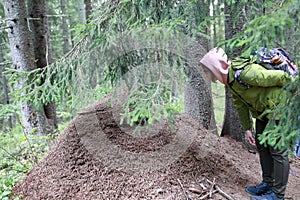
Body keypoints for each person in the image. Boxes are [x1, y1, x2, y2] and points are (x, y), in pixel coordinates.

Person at [200, 47, 295, 200]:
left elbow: (280, 77)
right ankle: (268, 183)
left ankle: (278, 195)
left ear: (215, 67)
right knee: (263, 146)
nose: (208, 75)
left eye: (207, 71)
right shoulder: (231, 81)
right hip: (264, 112)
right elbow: (240, 104)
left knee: (277, 151)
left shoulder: (244, 74)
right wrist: (247, 128)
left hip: (278, 108)